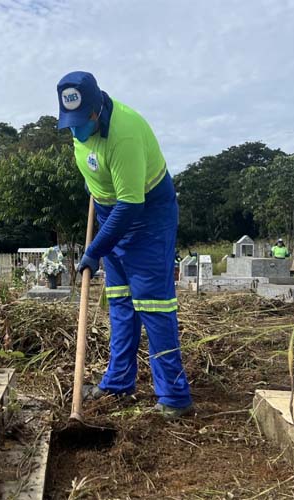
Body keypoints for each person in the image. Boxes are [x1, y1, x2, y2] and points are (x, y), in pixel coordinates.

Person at [57, 71, 192, 418]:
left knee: (153, 304)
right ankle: (118, 383)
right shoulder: (77, 127)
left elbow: (131, 205)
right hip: (109, 212)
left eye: (80, 121)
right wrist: (98, 199)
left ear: (97, 109)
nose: (75, 130)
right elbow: (95, 171)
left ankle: (174, 397)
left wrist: (94, 251)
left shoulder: (125, 134)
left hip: (147, 214)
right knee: (120, 302)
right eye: (68, 122)